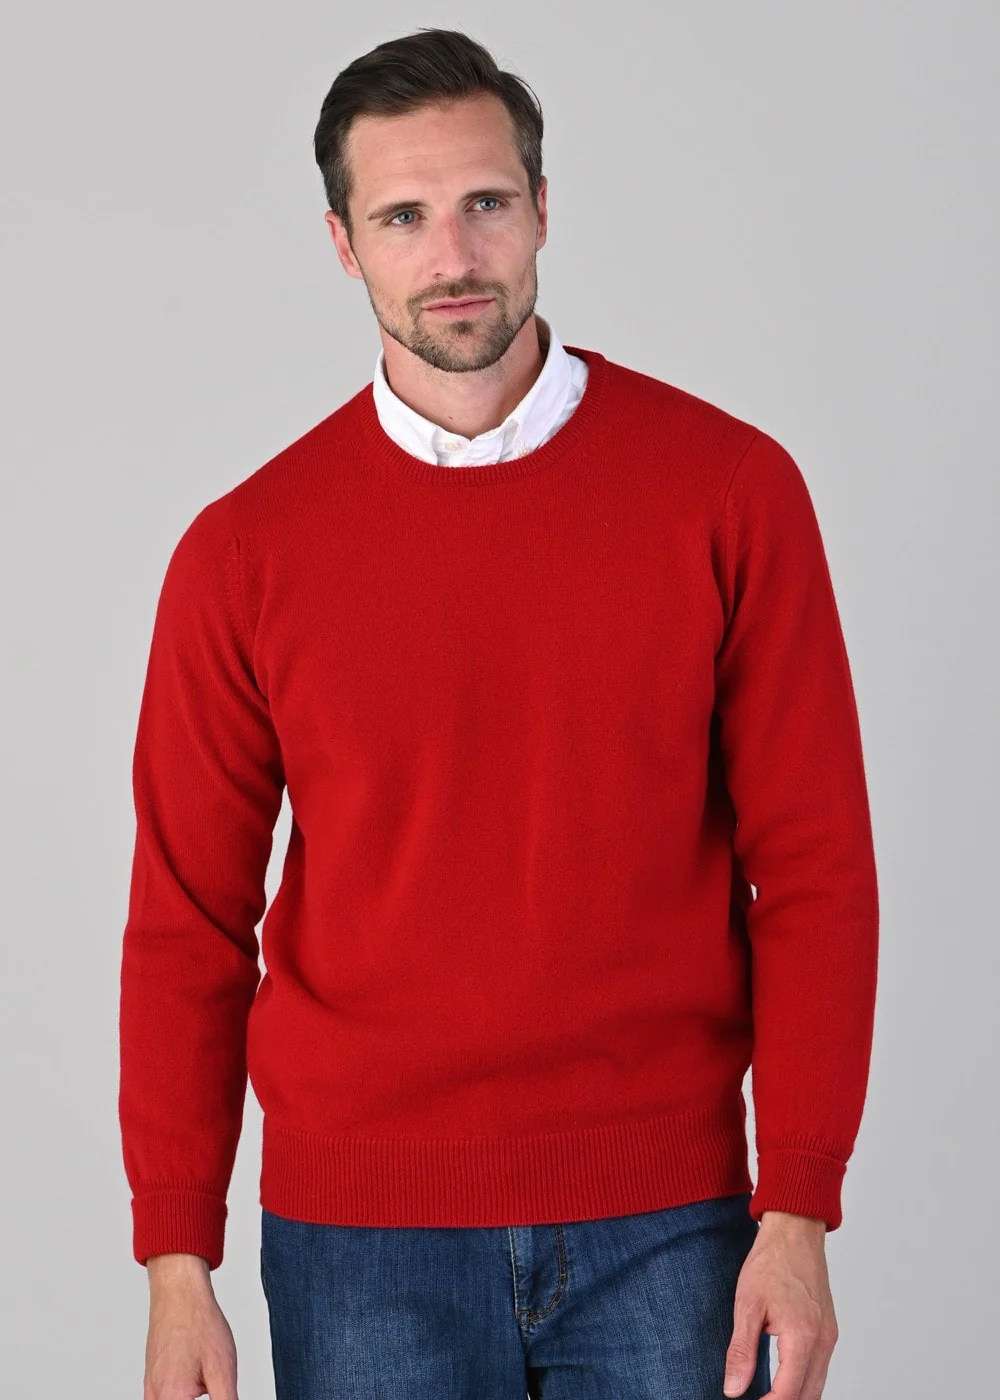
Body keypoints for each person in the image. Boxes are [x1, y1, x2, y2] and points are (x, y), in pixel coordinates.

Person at [119, 26, 879, 1400]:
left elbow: (816, 868)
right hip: (358, 1239)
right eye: (403, 217)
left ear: (541, 206)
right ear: (344, 243)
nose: (453, 254)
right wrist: (179, 1262)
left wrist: (801, 1204)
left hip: (674, 1217)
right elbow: (186, 921)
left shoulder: (728, 493)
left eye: (484, 202)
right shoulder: (244, 554)